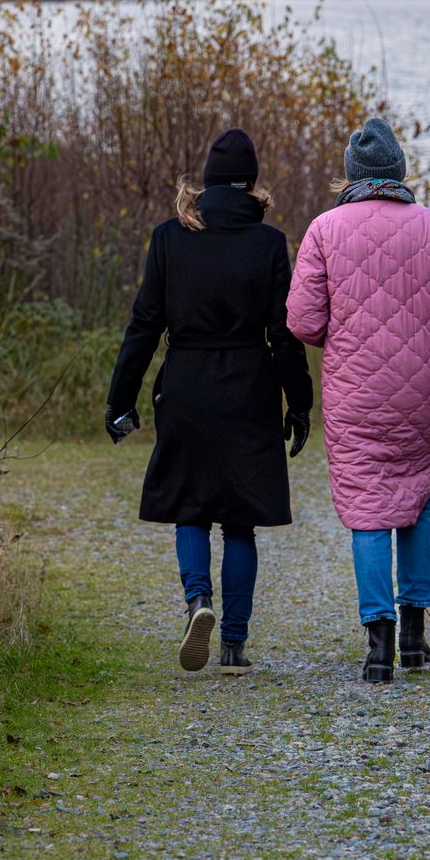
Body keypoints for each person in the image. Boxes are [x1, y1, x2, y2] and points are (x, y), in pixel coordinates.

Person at [104, 128, 315, 676]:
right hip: (249, 386)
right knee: (240, 521)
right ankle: (234, 646)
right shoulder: (268, 243)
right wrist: (299, 403)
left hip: (186, 386)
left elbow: (144, 326)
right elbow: (285, 334)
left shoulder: (170, 238)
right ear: (252, 183)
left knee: (190, 508)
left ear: (207, 181)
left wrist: (120, 399)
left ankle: (199, 602)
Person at [287, 117, 430, 684]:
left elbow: (301, 321)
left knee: (367, 508)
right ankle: (416, 633)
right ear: (398, 172)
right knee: (415, 496)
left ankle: (379, 645)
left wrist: (343, 333)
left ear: (351, 175)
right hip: (420, 392)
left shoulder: (323, 229)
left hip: (354, 391)